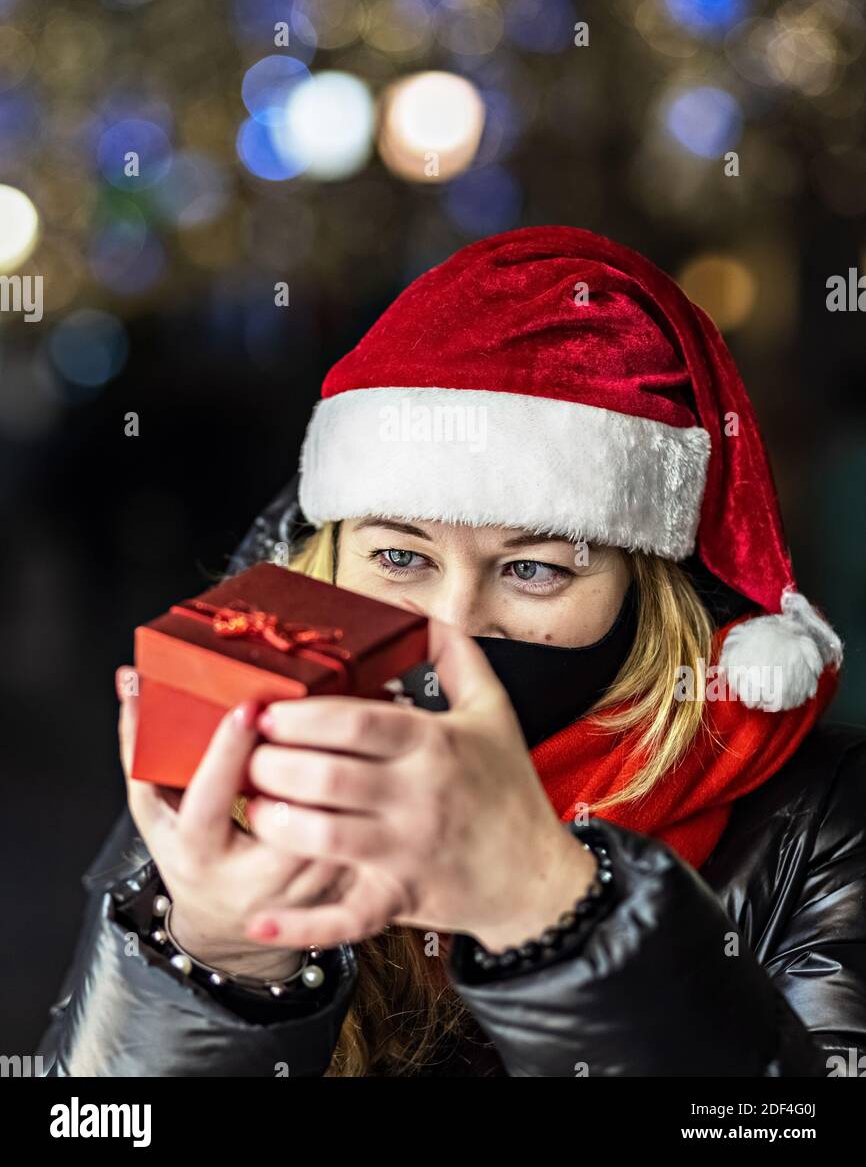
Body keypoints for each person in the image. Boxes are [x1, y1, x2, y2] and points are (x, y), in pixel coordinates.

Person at [37, 225, 866, 1077]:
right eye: (401, 558)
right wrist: (220, 963)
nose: (453, 623)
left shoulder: (819, 824)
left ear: (644, 591)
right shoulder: (241, 775)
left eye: (535, 570)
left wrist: (554, 912)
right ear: (327, 564)